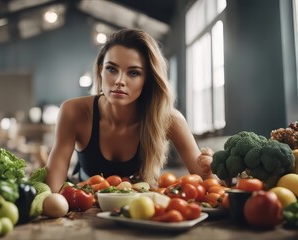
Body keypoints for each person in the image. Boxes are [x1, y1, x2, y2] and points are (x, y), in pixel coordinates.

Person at [45, 28, 214, 193]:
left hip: (139, 212)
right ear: (100, 70)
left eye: (133, 73)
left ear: (147, 80)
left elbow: (210, 186)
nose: (119, 81)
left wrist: (210, 168)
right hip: (84, 207)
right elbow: (53, 188)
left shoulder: (170, 119)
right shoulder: (73, 111)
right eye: (112, 69)